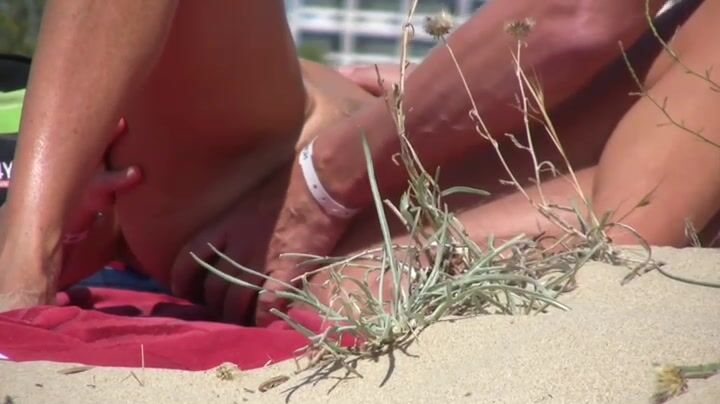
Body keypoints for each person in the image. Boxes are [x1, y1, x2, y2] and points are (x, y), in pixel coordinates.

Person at [2, 0, 718, 326]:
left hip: (278, 221)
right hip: (306, 180)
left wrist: (323, 186)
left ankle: (20, 257)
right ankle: (26, 244)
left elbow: (627, 230)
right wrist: (428, 100)